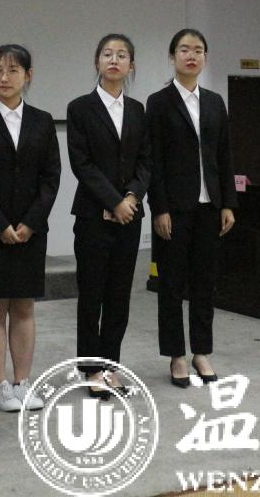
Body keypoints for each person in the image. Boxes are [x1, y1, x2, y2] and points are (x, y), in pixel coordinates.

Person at [145, 28, 237, 388]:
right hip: (175, 208)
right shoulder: (159, 102)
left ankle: (201, 351)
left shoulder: (214, 102)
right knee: (171, 285)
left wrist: (228, 202)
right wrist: (159, 208)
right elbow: (153, 160)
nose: (191, 55)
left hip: (209, 207)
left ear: (205, 58)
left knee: (204, 283)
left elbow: (224, 155)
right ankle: (176, 355)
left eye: (198, 50)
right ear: (172, 57)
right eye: (184, 49)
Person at [66, 33, 150, 395]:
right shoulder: (79, 108)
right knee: (91, 296)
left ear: (131, 65)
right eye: (107, 54)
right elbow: (82, 163)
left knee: (119, 297)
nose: (114, 60)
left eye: (121, 55)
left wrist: (131, 197)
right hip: (92, 216)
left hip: (129, 217)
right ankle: (91, 369)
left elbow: (145, 161)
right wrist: (113, 200)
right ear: (97, 62)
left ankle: (111, 366)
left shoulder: (138, 110)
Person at [0, 44, 60, 412]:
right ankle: (0, 384)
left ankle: (23, 381)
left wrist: (31, 222)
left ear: (28, 76)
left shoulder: (42, 121)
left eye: (13, 71)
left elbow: (51, 177)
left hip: (31, 230)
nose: (4, 78)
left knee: (25, 306)